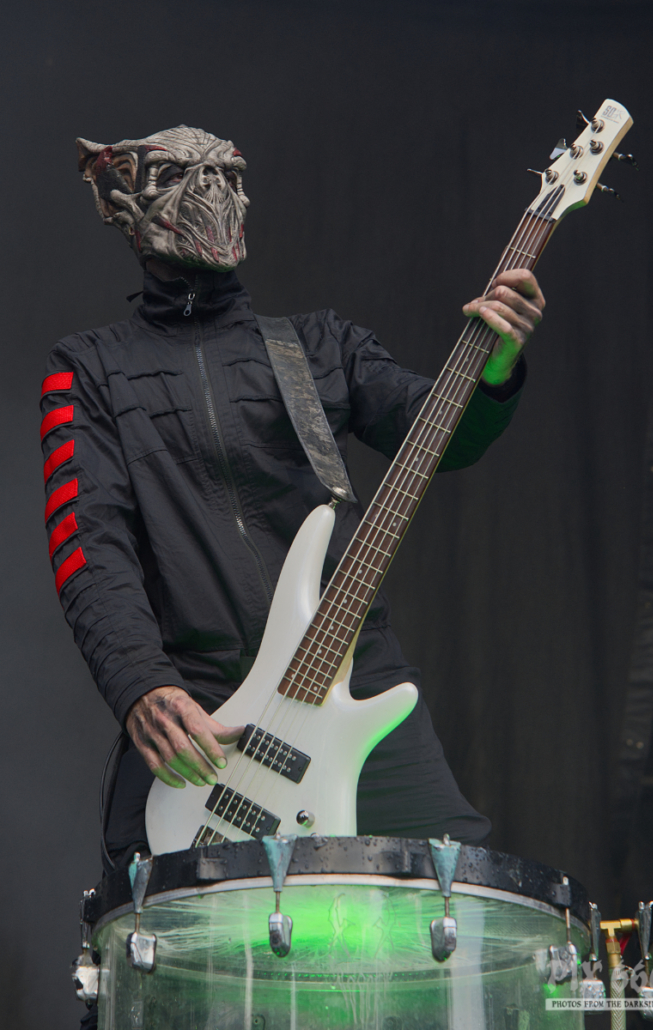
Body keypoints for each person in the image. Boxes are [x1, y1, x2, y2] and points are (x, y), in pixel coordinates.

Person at [42, 125, 544, 878]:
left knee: (460, 898)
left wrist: (495, 370)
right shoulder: (87, 370)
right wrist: (141, 683)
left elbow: (438, 431)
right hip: (204, 706)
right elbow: (90, 547)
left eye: (229, 175)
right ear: (123, 204)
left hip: (351, 676)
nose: (214, 191)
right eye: (181, 175)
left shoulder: (318, 345)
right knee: (177, 929)